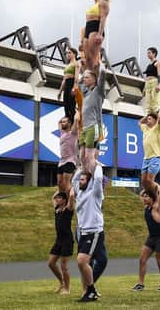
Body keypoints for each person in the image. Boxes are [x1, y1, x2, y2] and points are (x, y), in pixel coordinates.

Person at [72, 164, 108, 302]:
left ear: (89, 182)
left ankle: (90, 290)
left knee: (82, 261)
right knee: (86, 262)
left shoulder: (95, 193)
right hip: (83, 232)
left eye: (83, 180)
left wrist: (97, 165)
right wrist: (83, 167)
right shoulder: (79, 192)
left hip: (94, 232)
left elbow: (98, 179)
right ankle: (90, 291)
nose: (80, 182)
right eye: (80, 180)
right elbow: (73, 181)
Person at [132, 185, 160, 292]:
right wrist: (148, 186)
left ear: (152, 198)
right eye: (144, 197)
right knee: (142, 260)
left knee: (159, 262)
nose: (144, 198)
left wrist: (158, 187)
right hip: (151, 238)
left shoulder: (157, 208)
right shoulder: (146, 207)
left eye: (146, 197)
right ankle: (140, 284)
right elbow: (140, 194)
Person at [78, 64, 106, 175]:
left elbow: (103, 74)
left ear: (94, 79)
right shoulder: (85, 91)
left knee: (89, 156)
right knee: (81, 157)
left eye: (87, 77)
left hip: (93, 126)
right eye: (84, 77)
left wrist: (99, 62)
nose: (84, 79)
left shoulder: (98, 91)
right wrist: (83, 70)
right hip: (83, 128)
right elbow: (79, 83)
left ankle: (97, 177)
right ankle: (86, 177)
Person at [48, 189, 76, 295]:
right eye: (57, 198)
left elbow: (72, 197)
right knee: (51, 263)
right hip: (58, 240)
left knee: (64, 266)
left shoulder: (68, 209)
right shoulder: (57, 209)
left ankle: (67, 289)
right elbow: (52, 197)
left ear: (64, 200)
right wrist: (60, 188)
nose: (57, 199)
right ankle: (62, 283)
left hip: (67, 241)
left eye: (59, 198)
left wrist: (71, 188)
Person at [83, 0, 110, 72]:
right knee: (87, 58)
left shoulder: (103, 3)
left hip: (96, 27)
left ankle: (98, 80)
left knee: (94, 58)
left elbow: (103, 18)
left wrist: (99, 34)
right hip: (88, 28)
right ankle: (90, 79)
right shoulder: (92, 6)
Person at [138, 111, 160, 192]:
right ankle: (150, 197)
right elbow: (139, 122)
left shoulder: (157, 128)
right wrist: (147, 116)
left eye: (150, 119)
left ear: (155, 121)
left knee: (149, 180)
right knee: (143, 181)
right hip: (146, 159)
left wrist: (159, 110)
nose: (147, 120)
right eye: (147, 119)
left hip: (155, 157)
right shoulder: (145, 128)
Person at [57, 115, 78, 193]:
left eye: (64, 122)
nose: (62, 123)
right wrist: (65, 115)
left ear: (69, 123)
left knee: (66, 184)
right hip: (61, 161)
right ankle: (62, 202)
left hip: (70, 161)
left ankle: (70, 202)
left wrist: (74, 112)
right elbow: (59, 122)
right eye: (62, 122)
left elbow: (76, 120)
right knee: (59, 183)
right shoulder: (62, 133)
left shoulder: (73, 133)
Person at [58, 48, 79, 121]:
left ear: (74, 54)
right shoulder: (67, 66)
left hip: (72, 83)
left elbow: (76, 77)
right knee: (66, 106)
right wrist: (60, 91)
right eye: (67, 53)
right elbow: (64, 79)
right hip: (67, 84)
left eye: (69, 53)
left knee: (71, 106)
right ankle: (68, 125)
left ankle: (73, 124)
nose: (68, 54)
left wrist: (74, 87)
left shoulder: (76, 64)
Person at [144, 47, 160, 115]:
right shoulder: (149, 65)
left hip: (154, 82)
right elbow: (147, 76)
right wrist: (145, 88)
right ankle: (149, 120)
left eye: (149, 53)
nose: (148, 54)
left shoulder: (157, 63)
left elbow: (159, 74)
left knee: (156, 104)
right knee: (148, 105)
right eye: (147, 53)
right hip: (148, 83)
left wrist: (158, 84)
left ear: (154, 53)